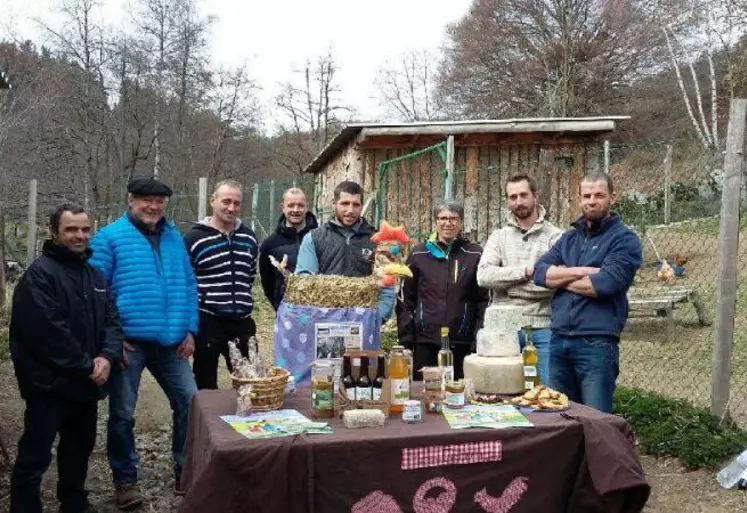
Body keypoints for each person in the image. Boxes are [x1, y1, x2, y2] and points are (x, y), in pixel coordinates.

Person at [89, 178, 198, 509]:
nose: (153, 206)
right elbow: (94, 293)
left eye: (159, 201)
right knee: (122, 413)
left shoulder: (174, 237)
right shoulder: (109, 238)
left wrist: (190, 329)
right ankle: (125, 482)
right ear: (130, 200)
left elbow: (189, 284)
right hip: (129, 343)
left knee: (191, 405)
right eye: (146, 200)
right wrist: (108, 341)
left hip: (171, 342)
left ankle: (185, 471)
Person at [9, 203, 123, 513]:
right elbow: (48, 333)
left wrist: (107, 357)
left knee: (78, 449)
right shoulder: (40, 276)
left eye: (85, 229)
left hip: (85, 386)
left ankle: (73, 503)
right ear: (55, 232)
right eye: (71, 229)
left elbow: (112, 321)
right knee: (35, 454)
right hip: (49, 385)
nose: (80, 235)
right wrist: (88, 365)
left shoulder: (94, 274)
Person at [532, 172, 642, 413]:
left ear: (612, 197)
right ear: (579, 199)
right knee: (560, 417)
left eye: (599, 195)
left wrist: (560, 277)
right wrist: (582, 271)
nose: (592, 201)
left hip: (596, 343)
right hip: (558, 339)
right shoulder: (568, 239)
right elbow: (540, 273)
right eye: (587, 196)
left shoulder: (625, 240)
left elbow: (604, 284)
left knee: (596, 420)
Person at [476, 173, 563, 384]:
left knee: (545, 393)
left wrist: (508, 287)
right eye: (512, 197)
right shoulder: (499, 237)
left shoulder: (556, 237)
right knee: (501, 393)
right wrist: (525, 272)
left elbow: (553, 285)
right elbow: (484, 276)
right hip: (503, 330)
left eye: (523, 195)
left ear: (536, 195)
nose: (518, 202)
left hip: (541, 327)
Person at [396, 200, 488, 380]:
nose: (448, 223)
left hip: (462, 343)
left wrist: (479, 338)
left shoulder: (474, 254)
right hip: (426, 342)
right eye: (443, 218)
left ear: (461, 222)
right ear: (436, 221)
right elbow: (405, 299)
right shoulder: (419, 254)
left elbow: (484, 300)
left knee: (461, 396)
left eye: (453, 218)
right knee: (425, 395)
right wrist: (406, 341)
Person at [184, 179, 259, 390]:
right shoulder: (194, 238)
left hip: (242, 320)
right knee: (205, 381)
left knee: (251, 381)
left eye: (236, 203)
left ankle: (249, 420)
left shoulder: (249, 238)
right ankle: (206, 422)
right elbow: (187, 281)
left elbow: (249, 275)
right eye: (226, 201)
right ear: (213, 201)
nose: (231, 208)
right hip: (209, 319)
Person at [295, 180, 394, 322]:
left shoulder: (378, 240)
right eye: (345, 203)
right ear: (334, 203)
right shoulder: (314, 238)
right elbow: (305, 281)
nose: (350, 210)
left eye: (356, 204)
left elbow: (387, 285)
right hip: (325, 321)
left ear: (361, 206)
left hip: (365, 322)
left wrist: (378, 318)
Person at [259, 187, 318, 310]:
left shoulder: (320, 237)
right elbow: (267, 283)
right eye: (291, 205)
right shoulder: (270, 244)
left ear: (307, 206)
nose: (295, 210)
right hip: (286, 311)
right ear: (283, 207)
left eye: (300, 205)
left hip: (317, 309)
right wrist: (279, 305)